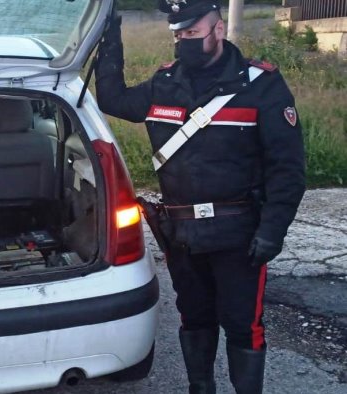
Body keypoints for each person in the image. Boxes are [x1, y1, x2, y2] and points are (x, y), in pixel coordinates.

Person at [95, 1, 305, 393]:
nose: (183, 42)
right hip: (183, 235)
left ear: (219, 29)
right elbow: (112, 99)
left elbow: (287, 170)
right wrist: (110, 36)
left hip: (240, 236)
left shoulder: (261, 86)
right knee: (194, 319)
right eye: (178, 35)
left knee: (243, 324)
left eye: (192, 33)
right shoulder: (164, 84)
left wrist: (273, 230)